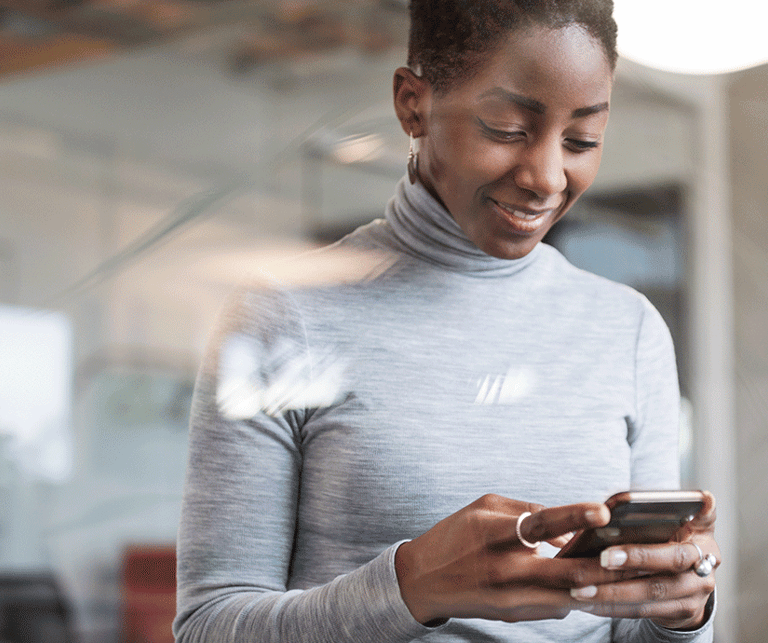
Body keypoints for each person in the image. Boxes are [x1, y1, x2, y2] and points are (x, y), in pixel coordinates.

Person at [173, 1, 720, 641]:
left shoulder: (628, 328)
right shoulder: (282, 314)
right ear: (414, 104)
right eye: (507, 128)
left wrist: (680, 614)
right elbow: (210, 628)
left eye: (581, 140)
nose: (546, 177)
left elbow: (633, 629)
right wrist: (415, 586)